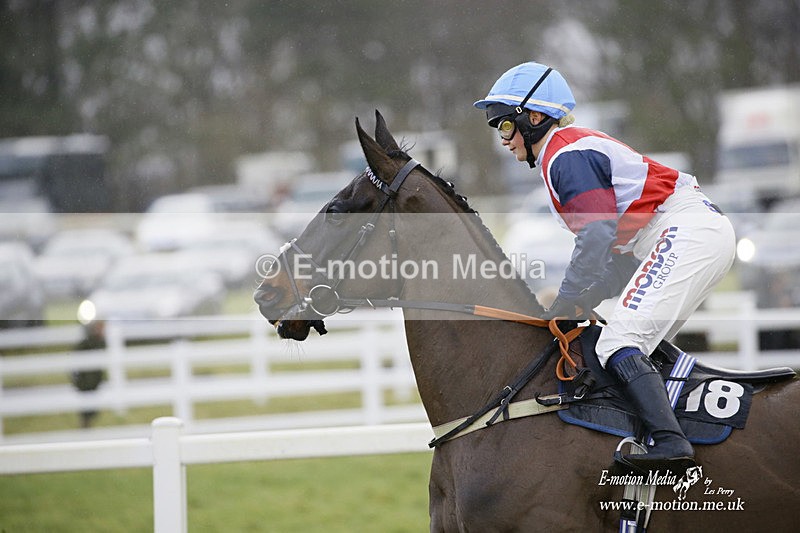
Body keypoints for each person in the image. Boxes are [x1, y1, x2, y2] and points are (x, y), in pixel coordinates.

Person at [474, 62, 736, 472]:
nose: (502, 139)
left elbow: (596, 237)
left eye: (505, 126)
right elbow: (616, 259)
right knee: (624, 342)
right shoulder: (565, 154)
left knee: (618, 344)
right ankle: (665, 431)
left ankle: (671, 444)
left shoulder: (566, 155)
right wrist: (583, 301)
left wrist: (566, 300)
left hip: (687, 232)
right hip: (689, 234)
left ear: (534, 118)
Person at [70, 319, 106, 428]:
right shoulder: (86, 344)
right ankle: (85, 427)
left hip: (94, 380)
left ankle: (87, 427)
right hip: (86, 381)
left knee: (92, 407)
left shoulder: (100, 343)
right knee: (86, 408)